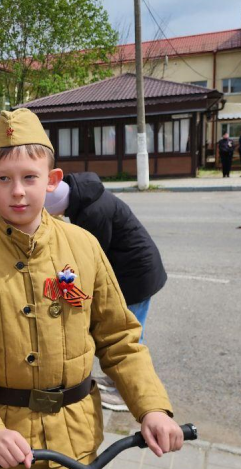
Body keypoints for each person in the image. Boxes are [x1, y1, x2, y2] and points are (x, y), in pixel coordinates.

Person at [0, 109, 183, 469]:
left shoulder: (84, 245)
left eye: (29, 177)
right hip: (4, 445)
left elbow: (120, 339)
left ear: (52, 180)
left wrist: (152, 408)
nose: (17, 191)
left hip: (75, 442)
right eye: (4, 179)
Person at [44, 172, 167, 411]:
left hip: (137, 274)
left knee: (128, 331)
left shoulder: (92, 213)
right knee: (126, 327)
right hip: (132, 269)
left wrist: (67, 283)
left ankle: (127, 391)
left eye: (53, 212)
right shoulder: (84, 199)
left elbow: (90, 258)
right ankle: (115, 379)